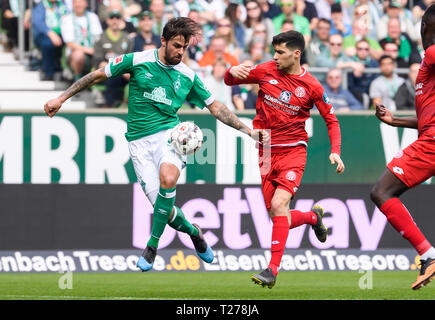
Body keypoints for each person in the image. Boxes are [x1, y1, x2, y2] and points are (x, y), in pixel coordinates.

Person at [43, 17, 266, 273]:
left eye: (185, 47)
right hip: (138, 143)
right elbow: (96, 76)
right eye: (176, 46)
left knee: (168, 179)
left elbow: (216, 106)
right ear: (163, 40)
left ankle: (152, 245)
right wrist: (61, 98)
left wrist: (248, 131)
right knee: (168, 213)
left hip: (169, 136)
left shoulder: (188, 75)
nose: (180, 52)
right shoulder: (137, 60)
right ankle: (194, 232)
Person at [224, 30, 345, 288]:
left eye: (280, 52)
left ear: (296, 53)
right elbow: (229, 81)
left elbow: (331, 119)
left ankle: (272, 270)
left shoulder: (312, 85)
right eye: (274, 52)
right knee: (276, 214)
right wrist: (231, 71)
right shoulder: (265, 70)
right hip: (266, 151)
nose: (275, 57)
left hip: (293, 150)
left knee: (280, 205)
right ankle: (314, 218)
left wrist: (335, 150)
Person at [371, 4, 435, 290]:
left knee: (382, 192)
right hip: (429, 134)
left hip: (432, 142)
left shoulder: (432, 54)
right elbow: (425, 118)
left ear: (424, 28)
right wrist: (394, 119)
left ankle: (429, 255)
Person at [60, 0, 103, 81]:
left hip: (93, 51)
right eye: (76, 2)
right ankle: (77, 79)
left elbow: (98, 37)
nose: (78, 5)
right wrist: (89, 50)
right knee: (78, 55)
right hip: (75, 54)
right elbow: (70, 43)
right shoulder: (67, 19)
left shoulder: (93, 17)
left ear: (86, 4)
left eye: (81, 2)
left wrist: (96, 50)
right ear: (72, 4)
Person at [32, 0, 67, 81]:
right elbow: (38, 23)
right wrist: (50, 33)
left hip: (63, 33)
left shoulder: (63, 5)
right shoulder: (41, 5)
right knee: (48, 44)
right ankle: (48, 72)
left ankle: (65, 72)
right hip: (45, 34)